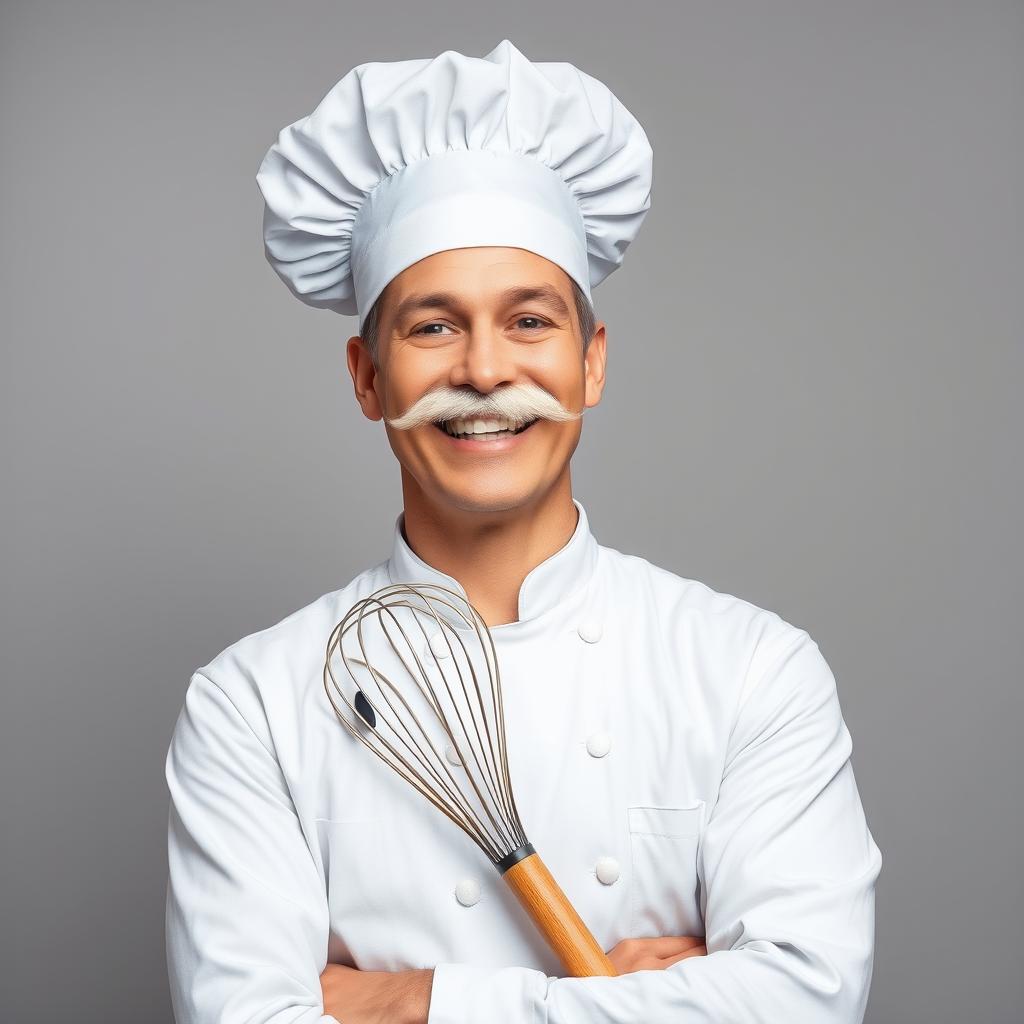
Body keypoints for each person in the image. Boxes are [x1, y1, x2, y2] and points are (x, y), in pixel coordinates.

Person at [164, 39, 882, 1024]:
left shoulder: (753, 669)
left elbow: (807, 1003)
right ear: (368, 378)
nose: (486, 370)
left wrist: (405, 1000)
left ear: (591, 365)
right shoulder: (251, 704)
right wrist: (646, 994)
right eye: (432, 327)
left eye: (530, 322)